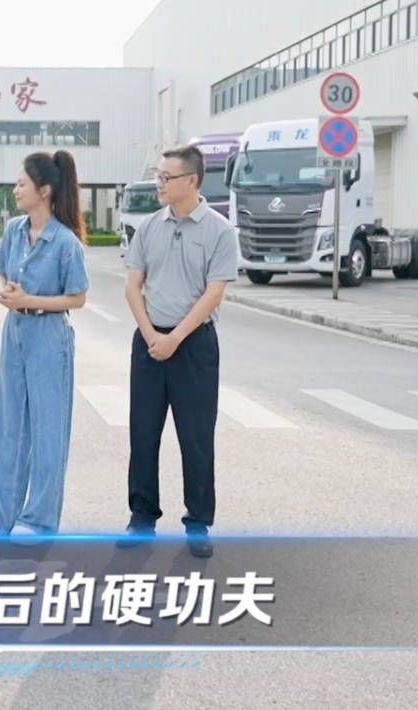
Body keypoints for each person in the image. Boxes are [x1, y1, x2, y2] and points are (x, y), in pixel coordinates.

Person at [122, 143, 238, 557]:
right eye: (158, 176)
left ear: (191, 181)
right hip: (150, 342)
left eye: (166, 177)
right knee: (143, 434)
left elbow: (214, 292)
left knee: (196, 437)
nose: (159, 183)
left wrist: (176, 338)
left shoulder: (219, 231)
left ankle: (198, 524)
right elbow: (133, 286)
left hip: (194, 346)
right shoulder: (149, 227)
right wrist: (151, 334)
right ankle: (141, 518)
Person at [0, 150, 90, 537]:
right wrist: (4, 291)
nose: (15, 190)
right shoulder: (14, 230)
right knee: (8, 425)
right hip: (15, 332)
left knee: (47, 431)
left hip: (49, 336)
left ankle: (39, 520)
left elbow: (77, 298)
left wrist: (31, 301)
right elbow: (0, 271)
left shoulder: (65, 242)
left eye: (21, 184)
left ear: (44, 191)